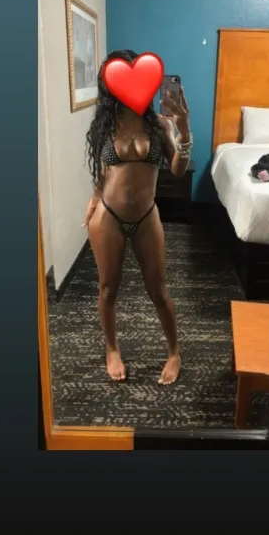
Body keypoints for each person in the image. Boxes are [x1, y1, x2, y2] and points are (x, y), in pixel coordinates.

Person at [83, 50, 192, 385]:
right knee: (107, 289)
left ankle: (174, 352)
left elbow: (177, 170)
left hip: (146, 215)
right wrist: (94, 199)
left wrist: (185, 131)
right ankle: (112, 348)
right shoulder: (106, 124)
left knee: (158, 290)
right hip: (109, 216)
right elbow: (104, 172)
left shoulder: (159, 124)